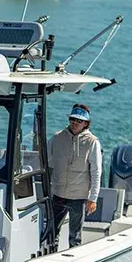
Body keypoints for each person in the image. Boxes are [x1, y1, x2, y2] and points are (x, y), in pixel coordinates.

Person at [48, 103, 102, 248]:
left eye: (79, 120)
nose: (75, 123)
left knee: (75, 237)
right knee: (50, 232)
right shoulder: (57, 137)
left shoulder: (92, 142)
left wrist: (93, 198)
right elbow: (47, 162)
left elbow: (96, 171)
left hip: (78, 197)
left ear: (86, 123)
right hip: (58, 193)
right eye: (72, 119)